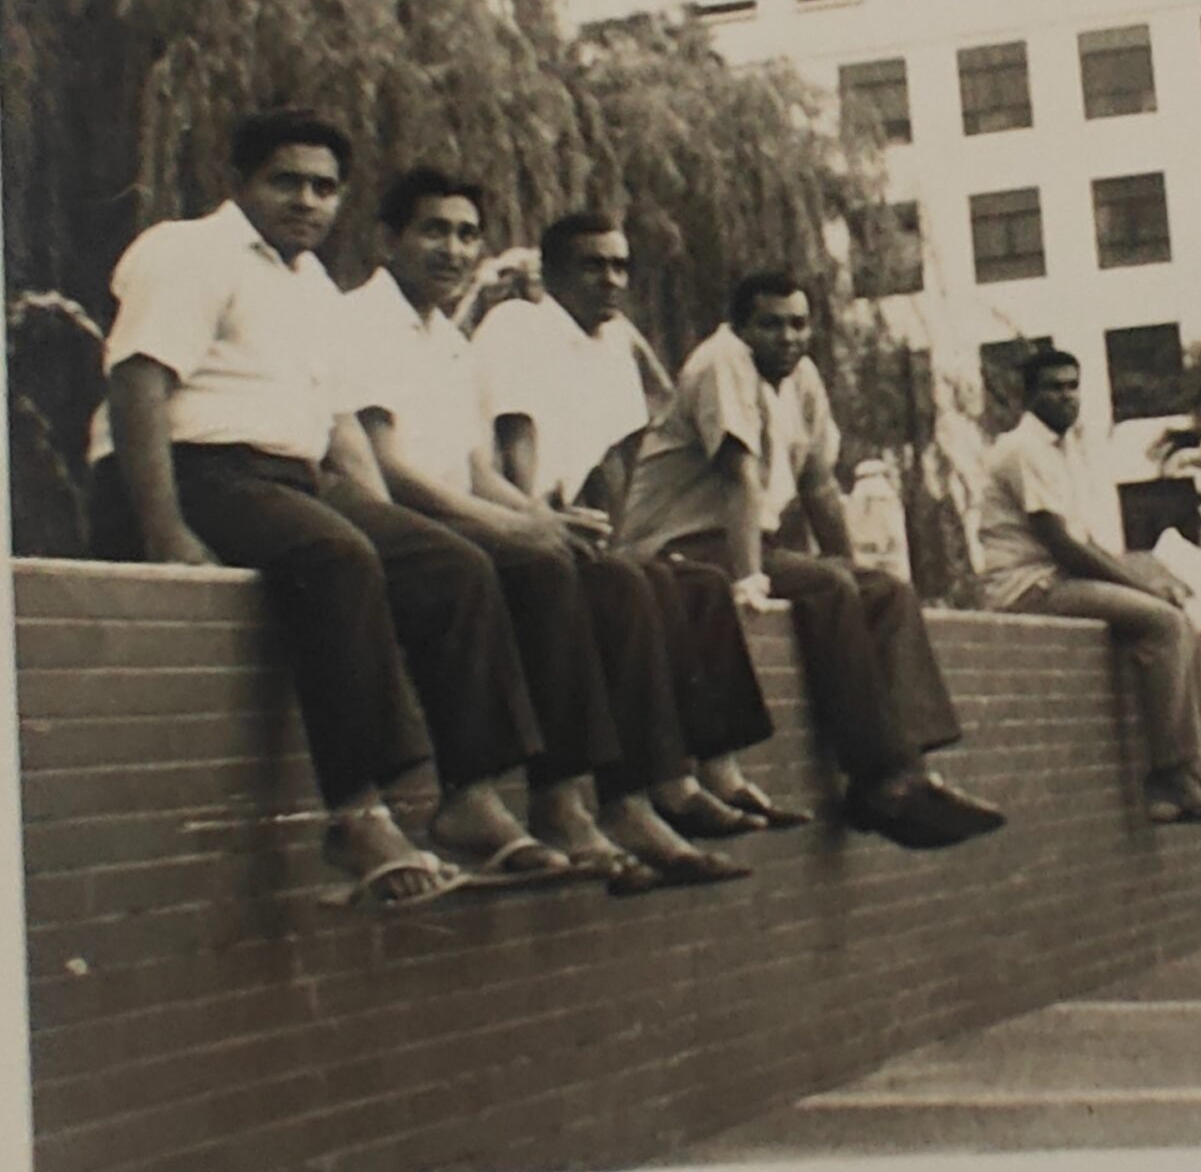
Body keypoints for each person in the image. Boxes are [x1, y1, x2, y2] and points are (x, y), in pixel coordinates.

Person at [87, 108, 550, 910]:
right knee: (337, 557)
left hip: (289, 479)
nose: (307, 201)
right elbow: (137, 384)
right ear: (238, 181)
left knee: (451, 563)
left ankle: (469, 796)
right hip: (197, 468)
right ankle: (355, 815)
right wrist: (166, 533)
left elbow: (339, 427)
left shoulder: (312, 287)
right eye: (287, 182)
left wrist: (392, 525)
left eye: (325, 188)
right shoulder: (188, 251)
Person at [342, 170, 754, 889]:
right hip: (408, 519)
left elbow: (478, 469)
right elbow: (387, 466)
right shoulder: (361, 320)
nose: (453, 249)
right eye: (434, 231)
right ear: (387, 239)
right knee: (543, 568)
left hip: (462, 514)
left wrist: (542, 519)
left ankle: (629, 798)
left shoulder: (448, 341)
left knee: (613, 575)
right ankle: (536, 800)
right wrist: (516, 528)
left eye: (467, 234)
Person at [619, 269, 1006, 852]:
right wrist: (750, 578)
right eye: (771, 325)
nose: (788, 337)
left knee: (884, 591)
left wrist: (847, 563)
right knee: (827, 587)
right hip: (679, 543)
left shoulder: (801, 377)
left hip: (740, 536)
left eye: (798, 324)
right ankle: (879, 778)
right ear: (740, 328)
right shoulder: (722, 363)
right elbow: (740, 478)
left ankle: (910, 769)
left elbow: (820, 485)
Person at [471, 209, 803, 830]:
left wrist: (623, 541)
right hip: (509, 514)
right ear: (552, 273)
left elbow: (617, 458)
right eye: (593, 266)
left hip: (570, 521)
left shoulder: (612, 345)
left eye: (620, 266)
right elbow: (517, 437)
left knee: (697, 584)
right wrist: (538, 523)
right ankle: (654, 790)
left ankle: (719, 771)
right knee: (626, 587)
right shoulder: (518, 325)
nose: (611, 280)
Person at [979, 343, 1201, 825]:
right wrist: (1143, 589)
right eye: (1054, 388)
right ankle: (1165, 774)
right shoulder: (1023, 448)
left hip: (1059, 581)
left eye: (1073, 386)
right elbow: (1063, 545)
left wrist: (1148, 578)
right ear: (1029, 396)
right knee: (1164, 623)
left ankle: (1187, 769)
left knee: (1178, 617)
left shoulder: (1062, 451)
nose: (1066, 396)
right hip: (1028, 589)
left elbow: (1086, 543)